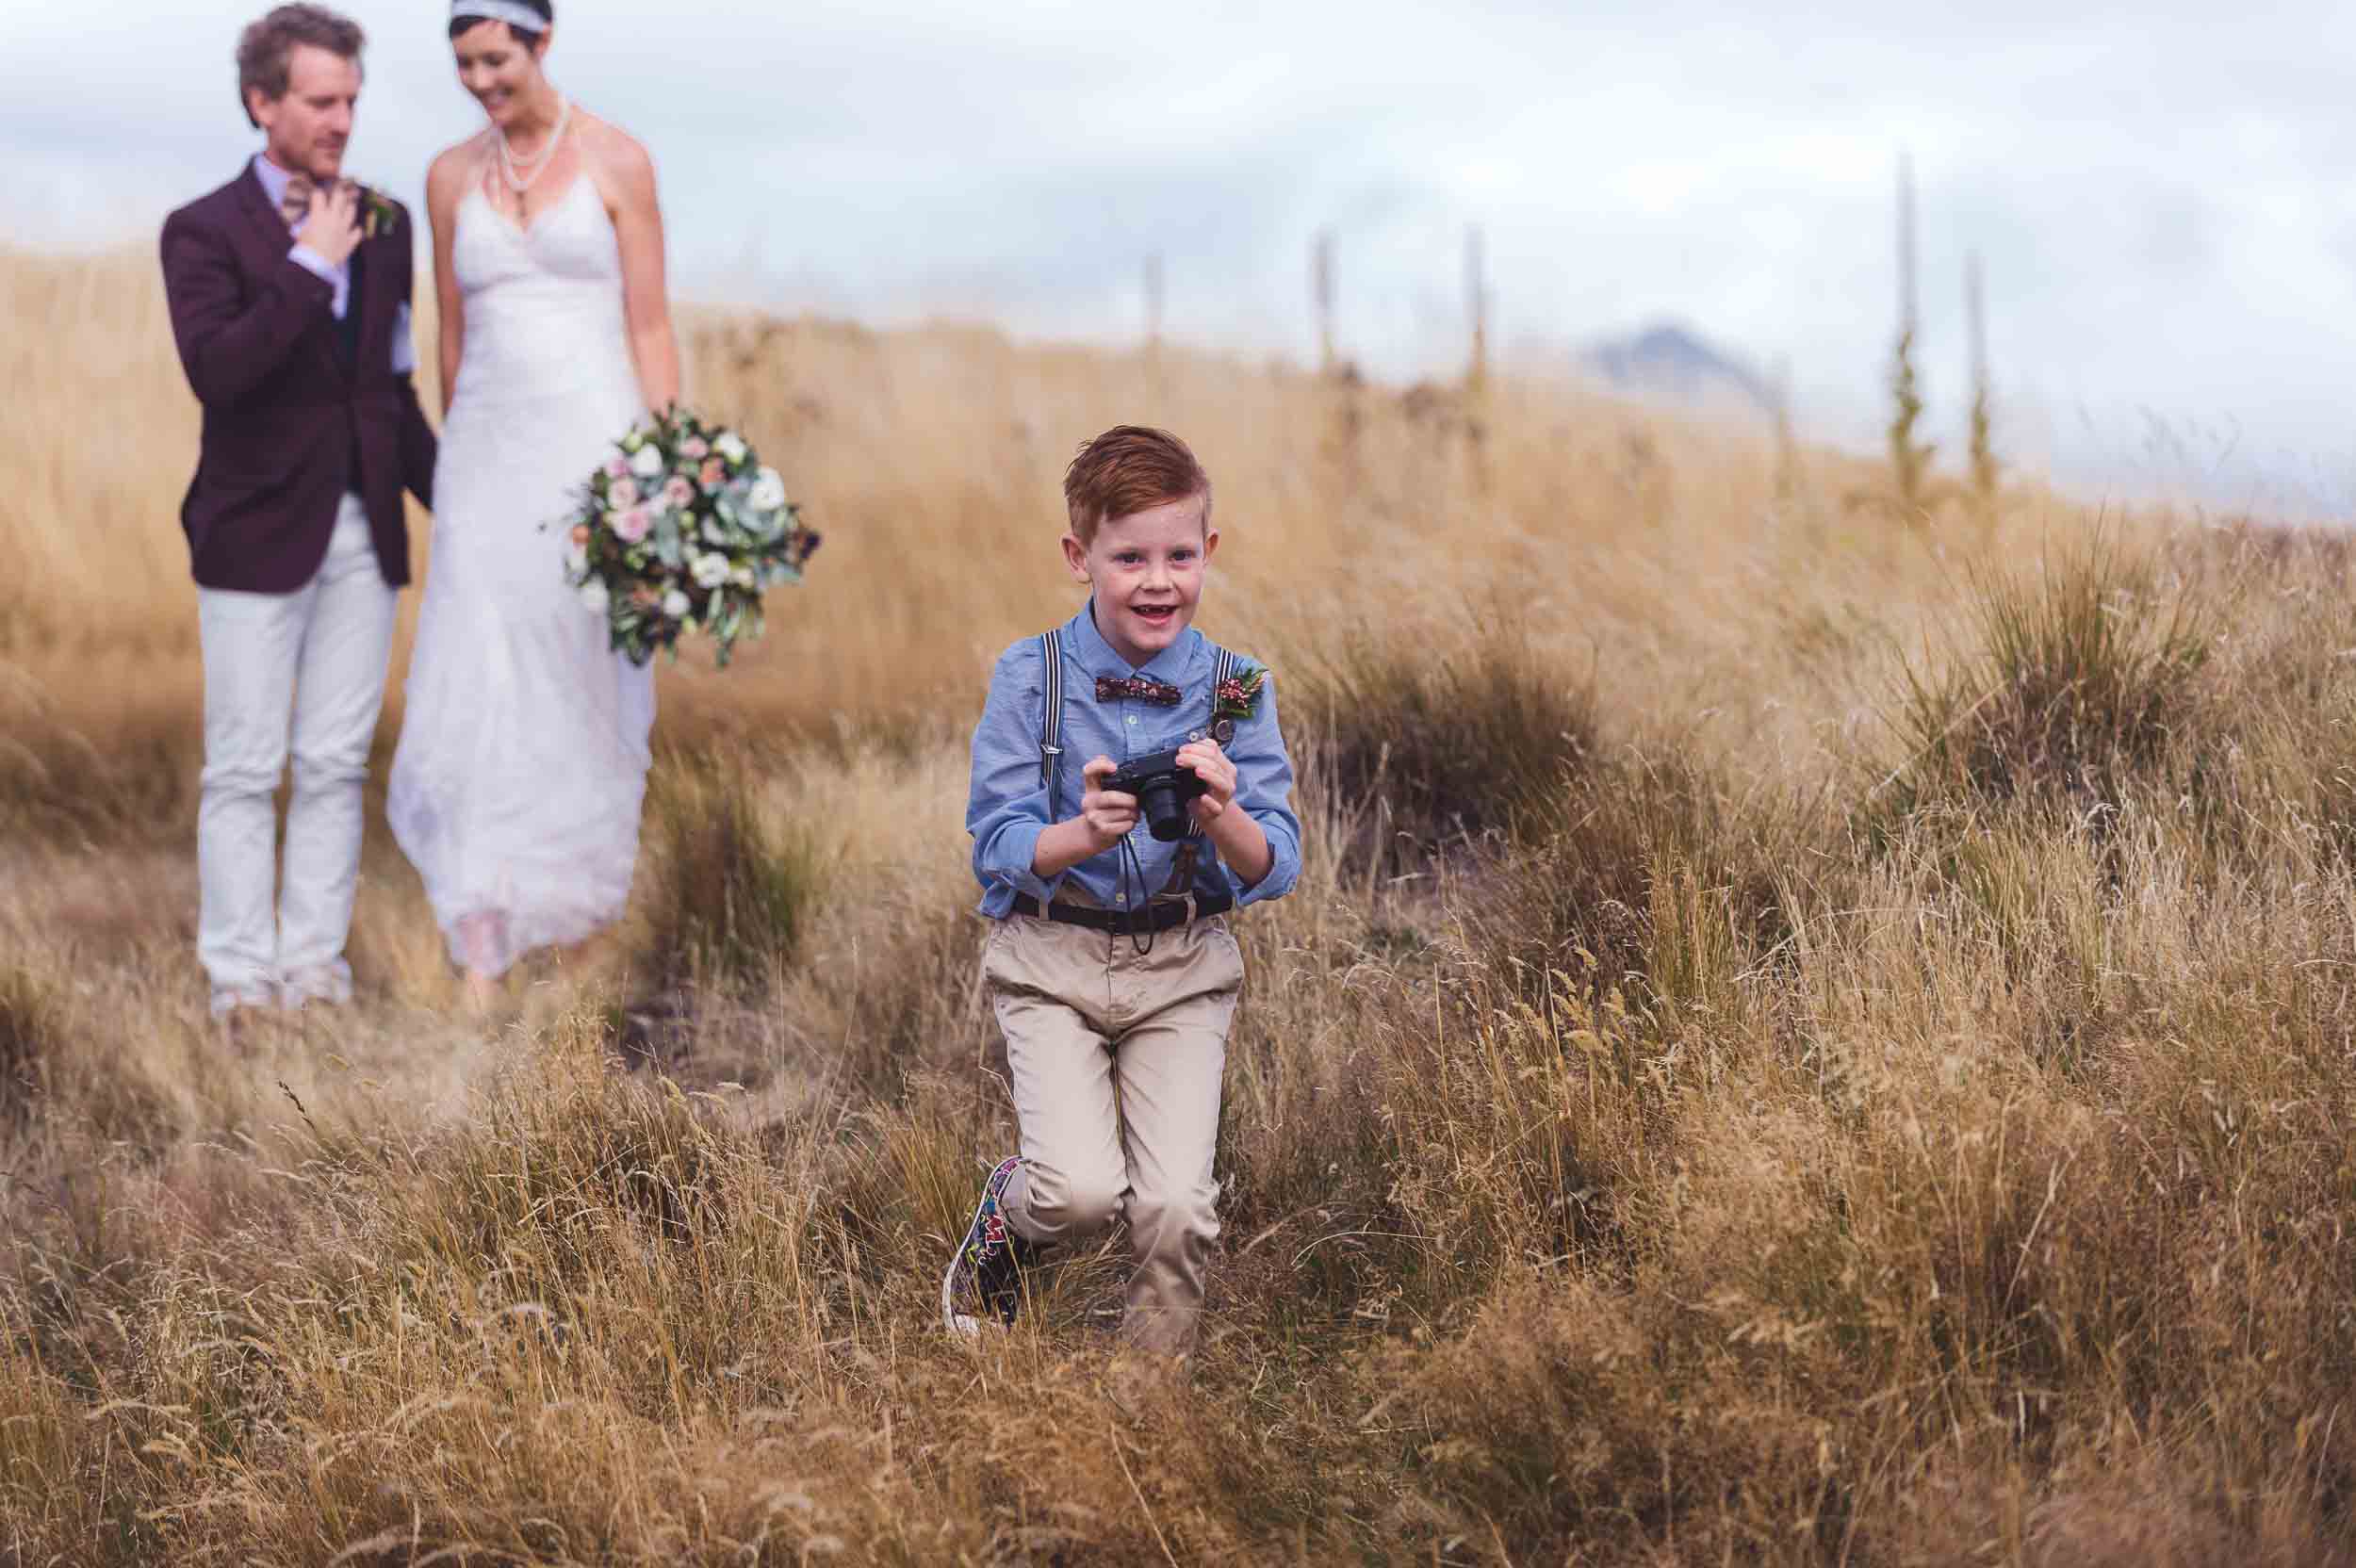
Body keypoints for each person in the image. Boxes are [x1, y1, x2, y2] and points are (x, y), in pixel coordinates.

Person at [941, 425, 1302, 1361]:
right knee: (1079, 1192)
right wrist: (1081, 831)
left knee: (1177, 1205)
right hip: (1050, 955)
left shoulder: (1238, 686)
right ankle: (1006, 1222)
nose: (1157, 580)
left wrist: (1221, 811)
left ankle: (1146, 1413)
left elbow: (1280, 862)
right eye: (1129, 556)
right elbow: (997, 841)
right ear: (1078, 556)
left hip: (1183, 965)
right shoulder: (1033, 676)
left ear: (1208, 554)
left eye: (1179, 555)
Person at [386, 0, 681, 1011]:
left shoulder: (618, 161)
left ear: (541, 43)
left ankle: (581, 920)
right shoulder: (447, 176)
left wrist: (670, 471)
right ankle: (481, 932)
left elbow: (649, 327)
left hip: (595, 453)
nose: (480, 80)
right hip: (486, 455)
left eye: (496, 59)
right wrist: (458, 456)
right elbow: (452, 335)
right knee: (479, 674)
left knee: (582, 678)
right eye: (464, 63)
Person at [160, 4, 437, 1028]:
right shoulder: (200, 229)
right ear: (261, 101)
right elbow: (219, 374)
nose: (341, 120)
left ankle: (314, 967)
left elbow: (391, 392)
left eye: (351, 101)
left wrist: (460, 505)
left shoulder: (388, 223)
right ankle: (240, 979)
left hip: (366, 530)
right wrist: (310, 262)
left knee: (331, 759)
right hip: (248, 536)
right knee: (242, 765)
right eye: (320, 101)